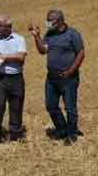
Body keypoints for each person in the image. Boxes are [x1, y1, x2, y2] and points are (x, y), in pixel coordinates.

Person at [28, 9, 85, 145]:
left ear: (59, 21)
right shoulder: (50, 34)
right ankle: (62, 129)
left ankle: (71, 134)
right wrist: (36, 36)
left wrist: (70, 71)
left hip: (68, 78)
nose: (47, 23)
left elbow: (81, 53)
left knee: (70, 107)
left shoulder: (73, 34)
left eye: (49, 20)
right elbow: (43, 50)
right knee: (51, 106)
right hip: (52, 78)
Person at [0, 15, 27, 146]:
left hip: (16, 78)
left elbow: (21, 58)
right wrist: (12, 56)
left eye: (0, 26)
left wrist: (3, 56)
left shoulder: (19, 39)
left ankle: (15, 134)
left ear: (9, 27)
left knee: (16, 106)